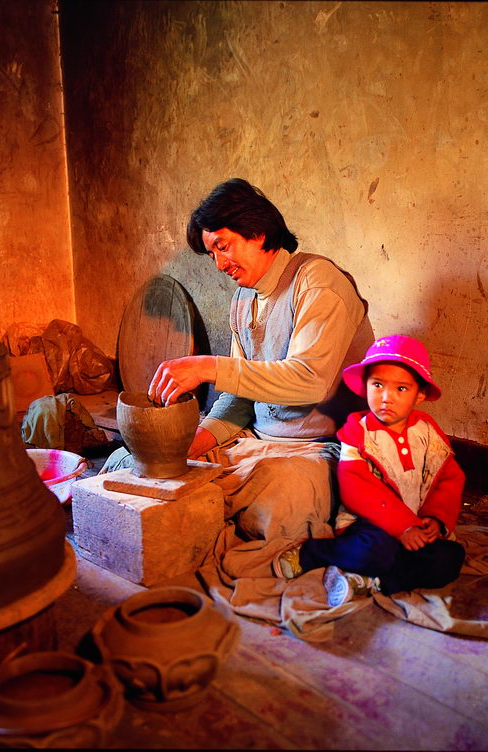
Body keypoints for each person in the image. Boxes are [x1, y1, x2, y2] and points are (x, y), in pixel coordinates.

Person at [138, 177, 374, 553]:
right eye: (211, 253)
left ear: (258, 231)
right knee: (138, 463)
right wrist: (192, 445)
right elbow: (239, 399)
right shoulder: (243, 301)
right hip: (258, 442)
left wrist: (209, 367)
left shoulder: (318, 282)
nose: (218, 263)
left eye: (222, 246)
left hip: (318, 449)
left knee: (275, 500)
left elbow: (309, 381)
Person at [274, 334, 466, 608]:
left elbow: (449, 477)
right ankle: (313, 554)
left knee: (449, 559)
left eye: (401, 389)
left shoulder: (428, 433)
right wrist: (402, 527)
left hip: (415, 524)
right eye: (378, 385)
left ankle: (371, 581)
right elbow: (357, 489)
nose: (386, 398)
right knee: (374, 552)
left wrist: (435, 519)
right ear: (365, 387)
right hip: (369, 525)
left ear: (420, 394)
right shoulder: (358, 433)